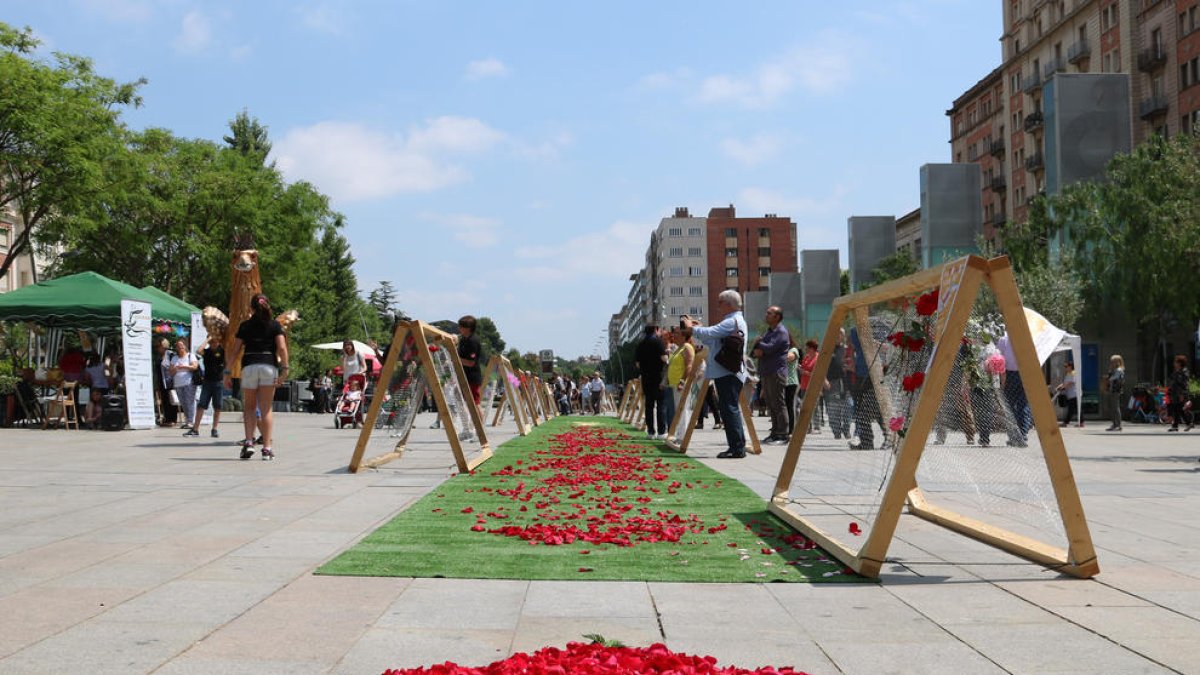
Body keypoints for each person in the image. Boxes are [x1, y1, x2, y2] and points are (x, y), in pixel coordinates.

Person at [686, 289, 749, 459]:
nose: (718, 306)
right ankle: (737, 445)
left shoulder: (732, 321)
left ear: (728, 304)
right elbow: (711, 338)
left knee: (729, 409)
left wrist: (692, 328)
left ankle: (737, 448)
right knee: (729, 409)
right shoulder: (732, 321)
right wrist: (698, 328)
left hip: (728, 372)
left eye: (720, 302)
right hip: (727, 371)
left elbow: (710, 333)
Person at [226, 293, 288, 460]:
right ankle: (266, 449)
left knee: (249, 407)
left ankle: (249, 442)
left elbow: (235, 350)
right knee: (266, 409)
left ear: (251, 308)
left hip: (249, 367)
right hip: (268, 366)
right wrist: (285, 369)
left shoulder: (245, 326)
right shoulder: (275, 325)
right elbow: (282, 348)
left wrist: (227, 372)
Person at [752, 306, 790, 445]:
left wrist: (758, 342)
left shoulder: (781, 331)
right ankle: (774, 433)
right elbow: (756, 351)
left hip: (776, 372)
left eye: (769, 313)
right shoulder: (769, 332)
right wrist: (757, 349)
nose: (766, 315)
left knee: (778, 403)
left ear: (777, 317)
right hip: (767, 372)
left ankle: (783, 434)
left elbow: (770, 348)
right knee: (770, 404)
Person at [186, 333, 225, 438]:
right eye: (211, 342)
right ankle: (195, 429)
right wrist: (207, 340)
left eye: (214, 341)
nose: (213, 343)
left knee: (218, 406)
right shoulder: (207, 351)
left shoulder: (222, 351)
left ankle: (214, 429)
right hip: (207, 382)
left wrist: (219, 339)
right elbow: (198, 351)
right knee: (201, 405)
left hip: (218, 382)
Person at [996, 335, 1032, 446]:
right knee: (1022, 405)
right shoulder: (1028, 338)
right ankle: (1021, 435)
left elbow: (999, 360)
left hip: (1011, 374)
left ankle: (1016, 435)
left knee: (1011, 406)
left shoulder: (1004, 340)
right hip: (1023, 373)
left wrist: (1002, 380)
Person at [635, 325, 668, 438]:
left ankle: (650, 432)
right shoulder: (658, 342)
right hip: (658, 377)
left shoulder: (640, 344)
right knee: (661, 405)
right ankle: (661, 431)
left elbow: (637, 364)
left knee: (649, 406)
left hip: (646, 379)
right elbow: (664, 358)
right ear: (655, 330)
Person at [168, 339, 199, 428]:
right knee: (183, 403)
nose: (180, 347)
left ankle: (191, 422)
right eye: (178, 346)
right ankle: (188, 421)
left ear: (185, 346)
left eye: (181, 345)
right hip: (178, 384)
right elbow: (170, 372)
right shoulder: (174, 358)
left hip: (189, 383)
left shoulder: (190, 356)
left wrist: (184, 366)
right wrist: (174, 369)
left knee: (190, 402)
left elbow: (195, 366)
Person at [457, 315, 484, 410]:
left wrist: (456, 359)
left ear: (468, 328)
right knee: (465, 403)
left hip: (472, 378)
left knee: (475, 404)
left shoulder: (473, 341)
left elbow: (471, 363)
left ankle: (480, 420)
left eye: (461, 326)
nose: (459, 328)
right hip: (464, 376)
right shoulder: (463, 340)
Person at [799, 340, 822, 433]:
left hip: (813, 386)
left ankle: (817, 427)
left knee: (814, 406)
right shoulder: (807, 357)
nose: (806, 349)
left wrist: (805, 372)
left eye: (807, 348)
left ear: (812, 348)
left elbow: (817, 374)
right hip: (804, 385)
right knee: (805, 407)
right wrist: (800, 368)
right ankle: (808, 426)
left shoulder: (818, 358)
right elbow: (803, 367)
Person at [154, 338, 177, 426]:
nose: (157, 348)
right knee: (164, 401)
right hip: (161, 382)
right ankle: (167, 419)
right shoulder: (159, 356)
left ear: (163, 346)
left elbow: (174, 367)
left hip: (170, 382)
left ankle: (172, 420)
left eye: (158, 346)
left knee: (171, 401)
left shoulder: (171, 355)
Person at [1166, 354, 1191, 432]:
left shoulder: (1184, 372)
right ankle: (1177, 426)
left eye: (1175, 362)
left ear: (1180, 363)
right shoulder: (1177, 371)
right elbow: (1173, 382)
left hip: (1180, 394)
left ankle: (1186, 423)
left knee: (1178, 409)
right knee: (1177, 409)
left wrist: (1182, 394)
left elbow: (1184, 384)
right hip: (1175, 394)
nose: (1174, 364)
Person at [1103, 354, 1125, 432]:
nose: (1111, 363)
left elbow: (1113, 378)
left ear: (1117, 362)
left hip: (1116, 391)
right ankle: (1115, 424)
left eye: (1113, 361)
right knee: (1113, 408)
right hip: (1113, 390)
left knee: (1115, 408)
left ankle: (1118, 424)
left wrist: (1108, 377)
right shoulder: (1115, 370)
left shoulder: (1119, 370)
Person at [1056, 361, 1078, 428]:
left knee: (1071, 409)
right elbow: (1065, 383)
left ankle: (1066, 422)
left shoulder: (1073, 373)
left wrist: (1063, 387)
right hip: (1070, 395)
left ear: (1070, 367)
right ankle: (1081, 422)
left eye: (1066, 366)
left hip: (1074, 394)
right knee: (1076, 408)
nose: (1065, 368)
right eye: (1064, 366)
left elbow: (1071, 383)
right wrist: (1059, 387)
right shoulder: (1068, 374)